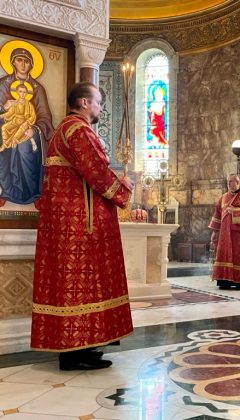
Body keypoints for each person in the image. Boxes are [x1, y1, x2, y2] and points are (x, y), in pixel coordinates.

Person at [31, 82, 134, 370]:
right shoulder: (78, 130)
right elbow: (97, 172)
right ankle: (73, 354)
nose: (101, 107)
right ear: (84, 103)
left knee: (78, 286)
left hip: (68, 221)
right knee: (80, 285)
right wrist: (123, 188)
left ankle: (82, 347)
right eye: (99, 102)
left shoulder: (64, 129)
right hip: (78, 224)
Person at [0, 47, 54, 205]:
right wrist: (4, 107)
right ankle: (6, 190)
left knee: (24, 146)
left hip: (29, 128)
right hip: (8, 124)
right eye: (19, 60)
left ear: (31, 65)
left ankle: (33, 194)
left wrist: (34, 129)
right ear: (13, 62)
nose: (23, 64)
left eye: (26, 61)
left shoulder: (37, 89)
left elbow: (44, 117)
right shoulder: (3, 84)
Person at [208, 173, 240, 290]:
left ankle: (238, 282)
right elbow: (217, 215)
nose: (229, 184)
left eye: (231, 181)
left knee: (237, 256)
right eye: (228, 182)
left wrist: (235, 211)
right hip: (224, 234)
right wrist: (214, 232)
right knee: (223, 255)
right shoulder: (223, 197)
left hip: (238, 234)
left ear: (238, 182)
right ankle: (224, 281)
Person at [0, 84, 37, 152]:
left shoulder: (29, 104)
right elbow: (10, 113)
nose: (22, 94)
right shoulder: (15, 103)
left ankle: (14, 141)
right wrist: (2, 115)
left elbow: (33, 116)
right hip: (15, 121)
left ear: (26, 93)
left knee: (22, 127)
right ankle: (5, 144)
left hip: (25, 122)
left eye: (24, 92)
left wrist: (28, 121)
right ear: (17, 92)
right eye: (20, 91)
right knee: (4, 127)